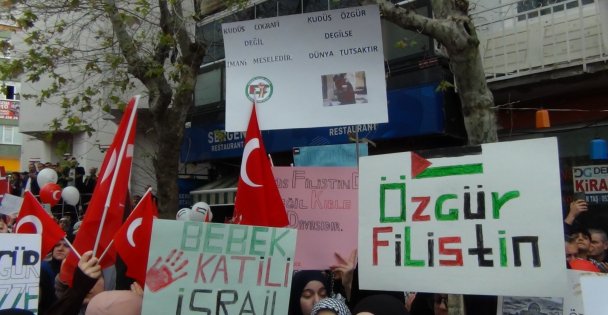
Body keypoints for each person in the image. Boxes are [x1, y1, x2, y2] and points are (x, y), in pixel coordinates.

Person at [39, 240, 70, 314]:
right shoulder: (42, 269)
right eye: (57, 245)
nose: (60, 248)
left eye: (66, 246)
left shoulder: (78, 272)